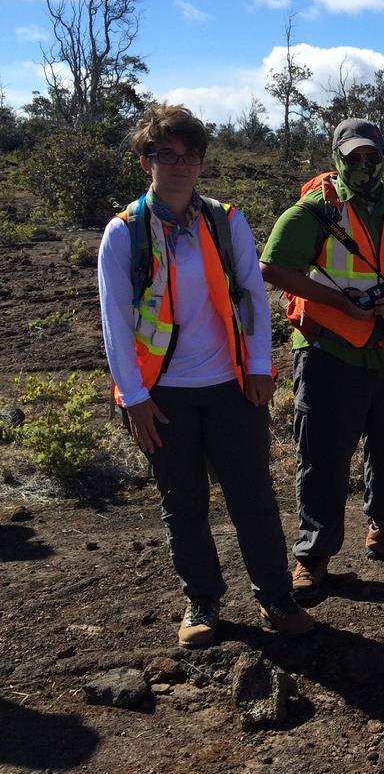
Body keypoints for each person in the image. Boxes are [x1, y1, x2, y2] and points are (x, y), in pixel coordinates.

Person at [98, 103, 314, 647]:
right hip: (164, 396)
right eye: (165, 154)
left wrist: (261, 366)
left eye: (189, 155)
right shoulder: (124, 233)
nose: (178, 165)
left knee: (254, 498)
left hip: (231, 387)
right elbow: (115, 324)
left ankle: (275, 595)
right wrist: (135, 397)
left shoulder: (226, 220)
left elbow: (253, 297)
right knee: (184, 501)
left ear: (201, 162)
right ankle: (202, 599)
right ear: (145, 160)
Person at [260, 119, 384, 601]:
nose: (363, 165)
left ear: (382, 157)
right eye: (354, 157)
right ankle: (312, 557)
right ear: (338, 156)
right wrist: (339, 303)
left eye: (371, 157)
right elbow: (272, 267)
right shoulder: (316, 209)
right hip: (328, 350)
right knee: (321, 455)